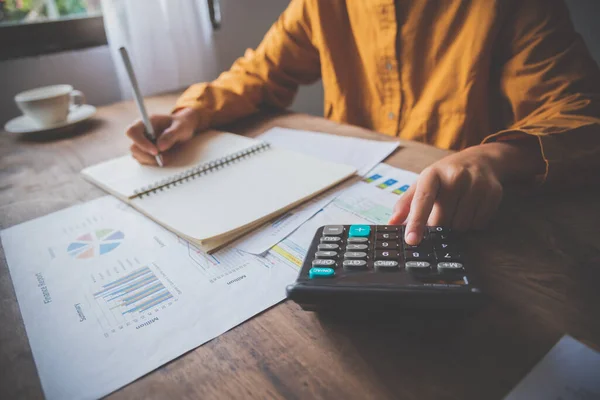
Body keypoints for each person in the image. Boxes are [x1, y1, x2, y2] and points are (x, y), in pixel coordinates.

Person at [126, 0, 600, 246]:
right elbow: (261, 71)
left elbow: (582, 111)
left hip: (465, 224)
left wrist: (493, 157)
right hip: (340, 201)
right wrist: (193, 113)